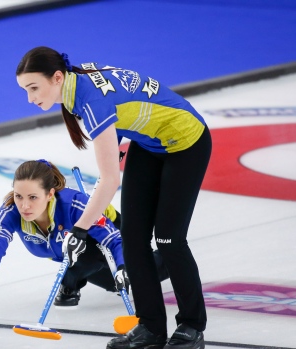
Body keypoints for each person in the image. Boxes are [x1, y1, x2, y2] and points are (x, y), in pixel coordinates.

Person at [15, 47, 211, 349]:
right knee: (132, 238)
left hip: (186, 142)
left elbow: (109, 181)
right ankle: (151, 328)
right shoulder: (76, 83)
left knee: (169, 238)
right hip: (150, 143)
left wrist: (79, 229)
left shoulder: (90, 101)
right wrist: (115, 145)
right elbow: (123, 106)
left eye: (33, 88)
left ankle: (192, 326)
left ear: (56, 78)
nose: (30, 98)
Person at [0, 160, 168, 308]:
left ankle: (172, 259)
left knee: (138, 275)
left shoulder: (74, 205)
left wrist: (122, 266)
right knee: (112, 284)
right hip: (81, 255)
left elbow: (113, 239)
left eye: (33, 197)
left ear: (50, 194)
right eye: (18, 196)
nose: (24, 205)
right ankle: (72, 279)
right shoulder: (11, 211)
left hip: (113, 229)